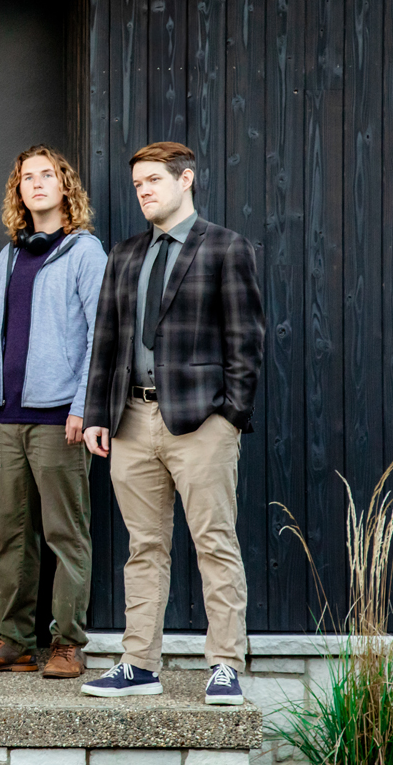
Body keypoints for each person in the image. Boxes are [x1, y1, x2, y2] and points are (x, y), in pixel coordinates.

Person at [80, 142, 264, 705]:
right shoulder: (126, 253)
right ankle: (139, 663)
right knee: (145, 546)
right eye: (137, 184)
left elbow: (246, 341)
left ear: (186, 180)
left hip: (202, 421)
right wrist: (95, 414)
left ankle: (226, 664)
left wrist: (230, 415)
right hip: (130, 419)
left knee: (214, 541)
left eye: (153, 181)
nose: (143, 192)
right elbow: (105, 342)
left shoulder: (226, 247)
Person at [0, 145, 106, 680]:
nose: (36, 184)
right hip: (9, 415)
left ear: (65, 186)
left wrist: (83, 407)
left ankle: (68, 643)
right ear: (18, 192)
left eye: (47, 175)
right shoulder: (11, 255)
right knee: (10, 533)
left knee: (65, 533)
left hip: (60, 416)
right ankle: (14, 640)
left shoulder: (85, 252)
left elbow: (100, 337)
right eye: (26, 178)